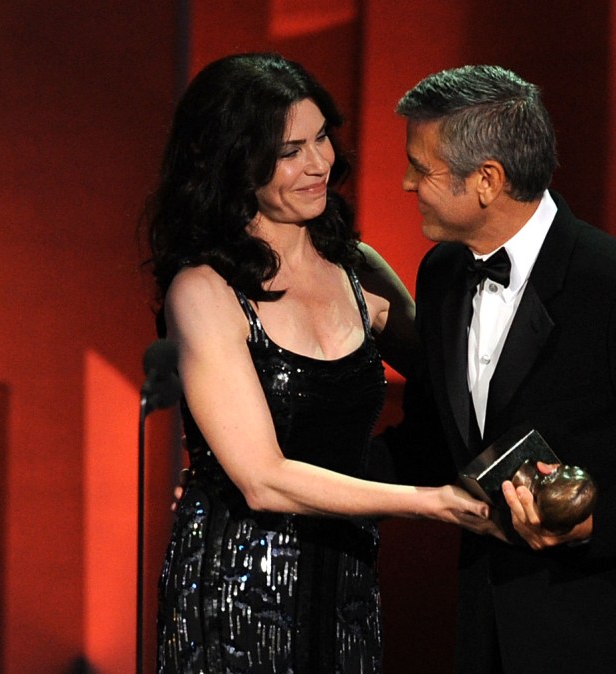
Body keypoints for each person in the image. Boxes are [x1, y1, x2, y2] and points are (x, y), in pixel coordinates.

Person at [381, 64, 616, 673]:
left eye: (420, 169)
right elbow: (434, 443)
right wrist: (279, 468)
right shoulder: (443, 274)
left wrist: (592, 523)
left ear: (487, 180)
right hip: (490, 632)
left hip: (615, 637)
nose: (406, 183)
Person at [145, 52, 493, 674]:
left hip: (347, 577)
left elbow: (457, 383)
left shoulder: (358, 269)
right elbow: (263, 478)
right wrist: (431, 502)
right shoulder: (203, 290)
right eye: (289, 151)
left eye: (322, 138)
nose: (317, 164)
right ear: (233, 162)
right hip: (241, 591)